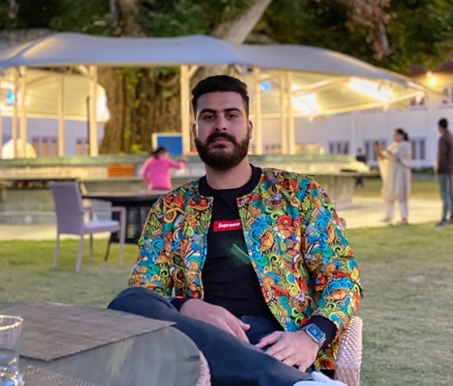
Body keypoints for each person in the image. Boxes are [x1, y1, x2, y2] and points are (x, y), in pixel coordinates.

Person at [109, 75, 362, 386]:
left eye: (231, 115)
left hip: (278, 343)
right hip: (201, 343)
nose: (221, 126)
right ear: (195, 131)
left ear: (249, 128)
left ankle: (288, 378)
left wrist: (310, 337)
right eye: (208, 117)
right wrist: (188, 307)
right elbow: (145, 290)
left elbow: (342, 277)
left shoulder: (298, 194)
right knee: (128, 301)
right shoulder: (171, 209)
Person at [375, 129, 412, 224]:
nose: (394, 137)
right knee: (389, 194)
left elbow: (397, 156)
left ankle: (404, 217)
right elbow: (386, 156)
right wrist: (379, 151)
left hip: (401, 173)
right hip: (392, 173)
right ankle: (389, 216)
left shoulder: (405, 145)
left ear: (401, 135)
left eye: (396, 135)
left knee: (401, 195)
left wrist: (386, 150)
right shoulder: (393, 145)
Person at [435, 118, 453, 227]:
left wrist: (439, 168)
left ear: (440, 127)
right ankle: (451, 216)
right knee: (450, 193)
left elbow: (442, 154)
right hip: (451, 169)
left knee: (444, 194)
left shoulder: (443, 138)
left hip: (444, 170)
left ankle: (444, 219)